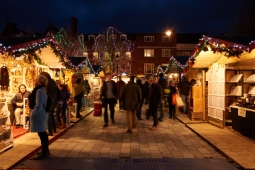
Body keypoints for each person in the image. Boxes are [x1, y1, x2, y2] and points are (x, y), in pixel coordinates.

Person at [28, 75, 49, 160]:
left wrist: (33, 115)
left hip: (39, 114)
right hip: (41, 114)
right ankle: (45, 150)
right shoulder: (42, 90)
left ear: (39, 81)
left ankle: (44, 151)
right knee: (42, 133)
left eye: (36, 79)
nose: (34, 80)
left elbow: (39, 105)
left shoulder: (39, 91)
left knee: (42, 133)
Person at [39, 72, 58, 136]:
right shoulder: (52, 81)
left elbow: (45, 91)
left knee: (49, 115)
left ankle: (50, 131)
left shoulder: (48, 82)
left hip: (49, 101)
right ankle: (54, 129)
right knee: (51, 115)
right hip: (53, 100)